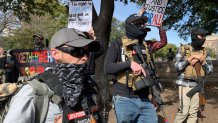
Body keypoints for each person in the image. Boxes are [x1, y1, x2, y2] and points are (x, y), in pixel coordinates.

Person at [3, 28, 100, 123]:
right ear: (56, 53)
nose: (85, 58)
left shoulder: (89, 85)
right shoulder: (33, 93)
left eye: (87, 52)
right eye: (78, 51)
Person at [104, 8, 167, 123]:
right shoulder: (117, 44)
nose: (142, 26)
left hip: (145, 99)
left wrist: (154, 94)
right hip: (124, 98)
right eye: (139, 23)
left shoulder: (147, 46)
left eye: (143, 23)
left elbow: (151, 71)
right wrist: (129, 63)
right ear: (130, 25)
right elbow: (108, 68)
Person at [174, 27, 213, 123]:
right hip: (185, 84)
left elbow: (210, 71)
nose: (204, 39)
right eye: (201, 36)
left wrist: (203, 63)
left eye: (205, 36)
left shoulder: (205, 52)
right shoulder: (183, 49)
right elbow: (177, 67)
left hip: (198, 85)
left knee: (193, 113)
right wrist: (189, 59)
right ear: (195, 36)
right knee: (183, 112)